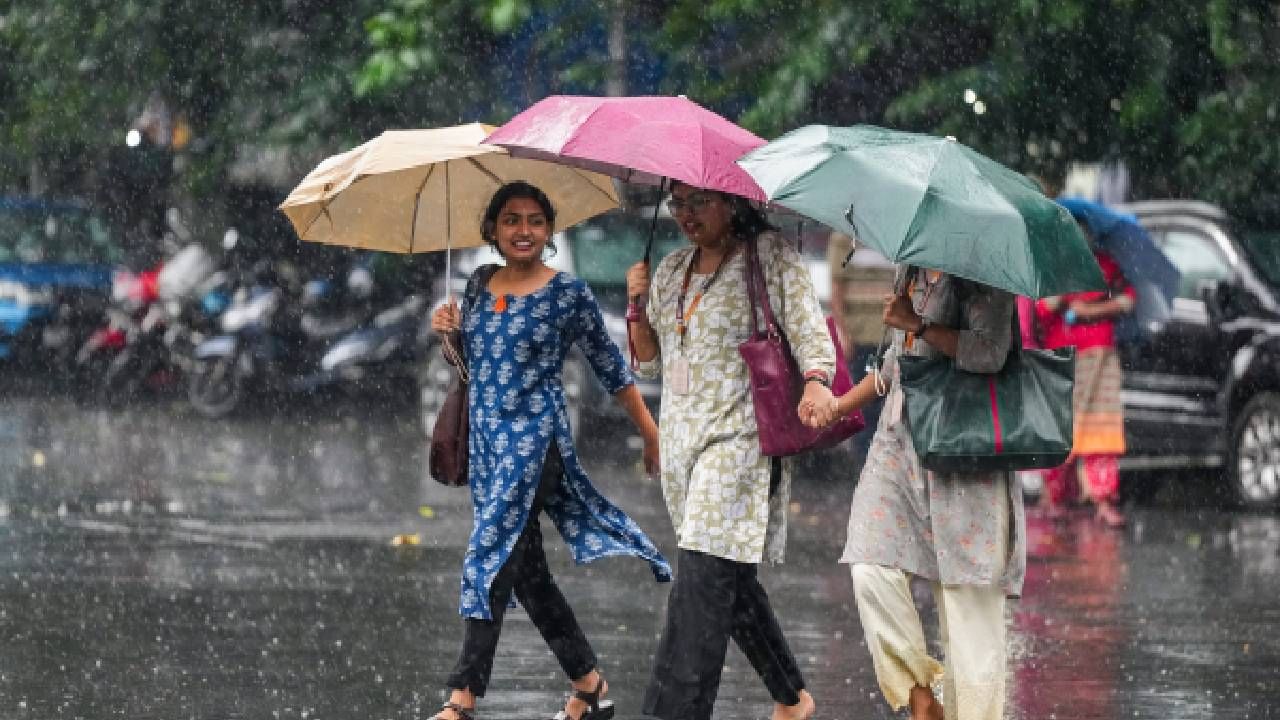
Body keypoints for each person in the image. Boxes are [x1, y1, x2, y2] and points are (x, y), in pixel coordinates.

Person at [429, 181, 672, 720]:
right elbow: (473, 367)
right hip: (490, 447)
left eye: (536, 221)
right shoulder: (477, 284)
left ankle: (461, 700)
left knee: (488, 555)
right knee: (527, 570)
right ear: (492, 229)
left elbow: (611, 367)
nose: (524, 231)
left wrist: (650, 432)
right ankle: (590, 686)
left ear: (549, 231)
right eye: (512, 220)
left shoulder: (568, 294)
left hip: (536, 443)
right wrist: (448, 334)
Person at [624, 181, 834, 720]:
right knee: (726, 577)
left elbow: (810, 328)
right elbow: (649, 362)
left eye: (700, 202)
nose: (687, 214)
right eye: (679, 204)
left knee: (701, 580)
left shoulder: (768, 256)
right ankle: (793, 697)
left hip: (739, 439)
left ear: (732, 202)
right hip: (682, 444)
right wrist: (635, 305)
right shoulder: (671, 269)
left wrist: (815, 380)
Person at [804, 266, 1025, 720]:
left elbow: (990, 354)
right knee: (869, 566)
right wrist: (838, 407)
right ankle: (919, 694)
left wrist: (921, 325)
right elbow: (892, 364)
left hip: (964, 452)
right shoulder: (911, 269)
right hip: (899, 445)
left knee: (969, 616)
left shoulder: (984, 272)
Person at [1034, 222, 1135, 527]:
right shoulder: (1052, 268)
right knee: (1061, 428)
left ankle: (1103, 501)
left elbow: (1128, 300)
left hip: (1100, 356)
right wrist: (1063, 294)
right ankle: (1055, 497)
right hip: (1062, 357)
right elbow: (1039, 311)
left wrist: (1091, 311)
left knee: (1101, 428)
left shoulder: (1106, 266)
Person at [826, 231, 895, 456]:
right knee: (864, 406)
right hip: (861, 336)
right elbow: (837, 287)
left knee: (891, 407)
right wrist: (843, 334)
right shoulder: (846, 235)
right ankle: (865, 463)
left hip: (893, 336)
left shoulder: (896, 233)